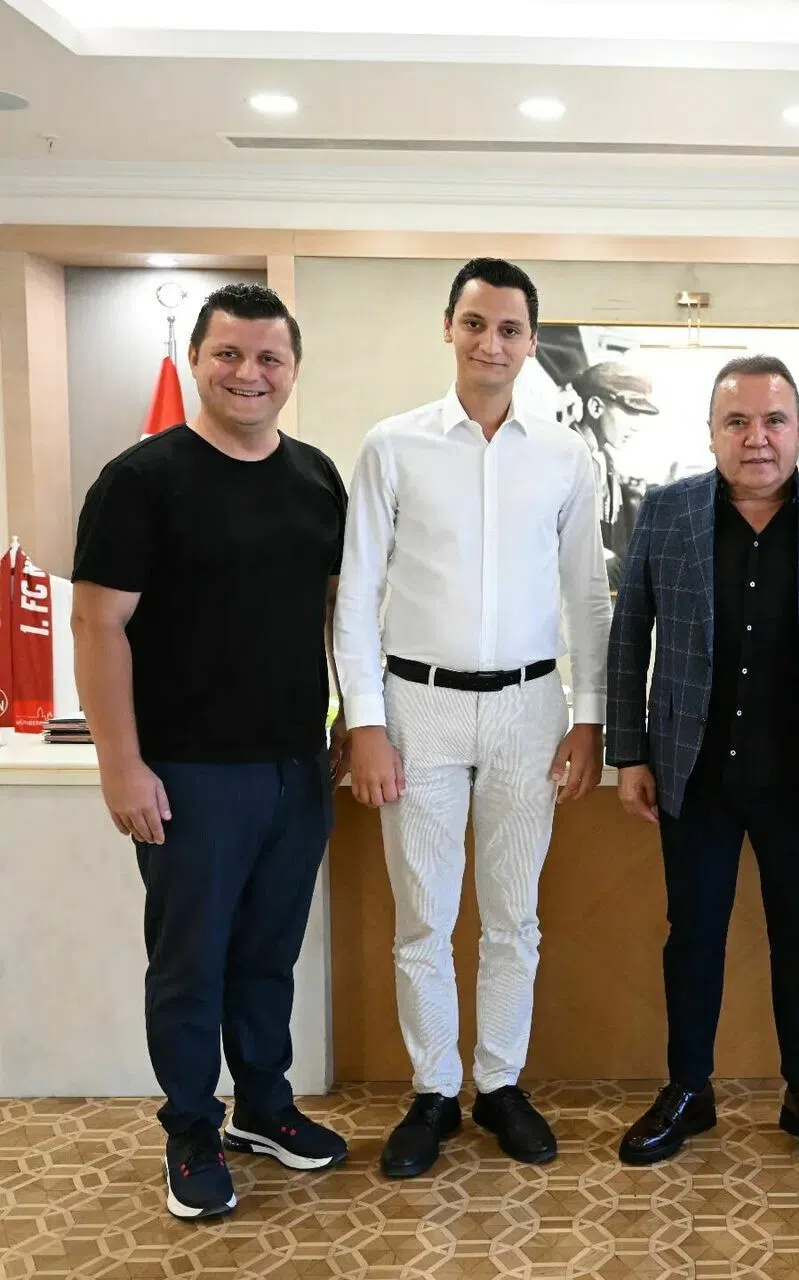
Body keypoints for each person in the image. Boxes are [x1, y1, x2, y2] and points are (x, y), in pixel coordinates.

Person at [71, 283, 350, 1221]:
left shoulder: (316, 478)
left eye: (270, 357)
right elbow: (97, 624)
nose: (249, 373)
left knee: (269, 955)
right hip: (188, 773)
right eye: (229, 353)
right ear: (197, 359)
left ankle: (263, 1107)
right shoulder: (141, 480)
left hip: (296, 768)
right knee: (191, 963)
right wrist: (121, 763)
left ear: (293, 369)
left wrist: (345, 718)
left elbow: (330, 615)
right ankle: (192, 1128)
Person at [334, 258, 611, 1178]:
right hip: (418, 707)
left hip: (531, 708)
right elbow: (356, 595)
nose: (492, 343)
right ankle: (432, 1091)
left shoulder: (565, 456)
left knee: (512, 917)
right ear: (448, 328)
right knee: (424, 916)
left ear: (532, 342)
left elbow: (587, 597)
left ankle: (498, 1083)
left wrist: (589, 718)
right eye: (476, 324)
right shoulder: (393, 445)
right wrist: (365, 722)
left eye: (510, 329)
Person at [607, 355, 799, 1174]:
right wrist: (628, 752)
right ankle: (687, 1091)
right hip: (692, 773)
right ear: (712, 433)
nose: (756, 437)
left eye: (774, 421)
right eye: (737, 421)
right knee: (691, 935)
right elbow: (630, 637)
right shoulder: (667, 513)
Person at [568, 361, 660, 587]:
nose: (636, 426)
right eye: (629, 412)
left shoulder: (604, 460)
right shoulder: (564, 457)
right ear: (596, 408)